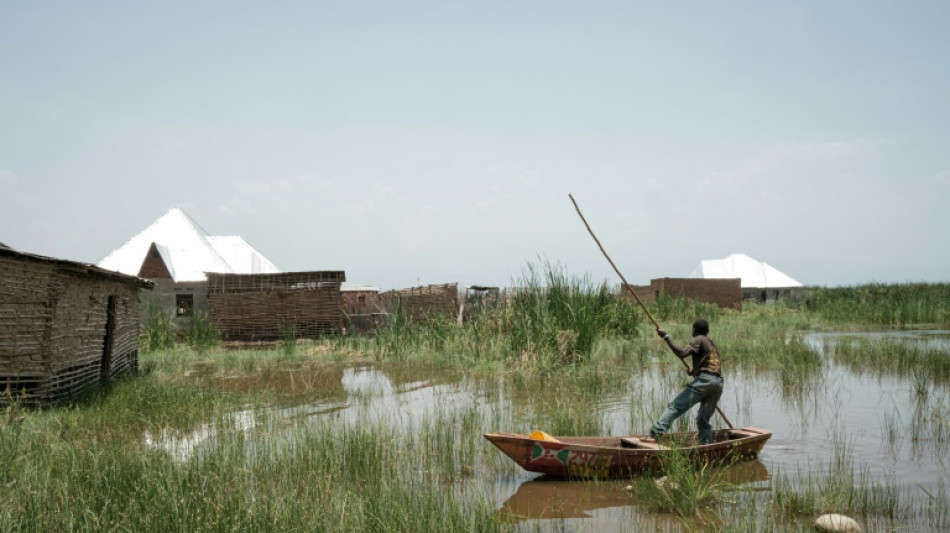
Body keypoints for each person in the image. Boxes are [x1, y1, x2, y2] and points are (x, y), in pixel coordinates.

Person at [647, 318, 723, 445]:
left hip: (705, 381)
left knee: (675, 407)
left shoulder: (698, 339)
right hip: (718, 383)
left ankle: (655, 434)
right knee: (703, 420)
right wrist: (695, 371)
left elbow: (682, 353)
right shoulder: (711, 344)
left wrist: (666, 337)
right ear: (707, 331)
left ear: (694, 330)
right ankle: (707, 446)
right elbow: (711, 365)